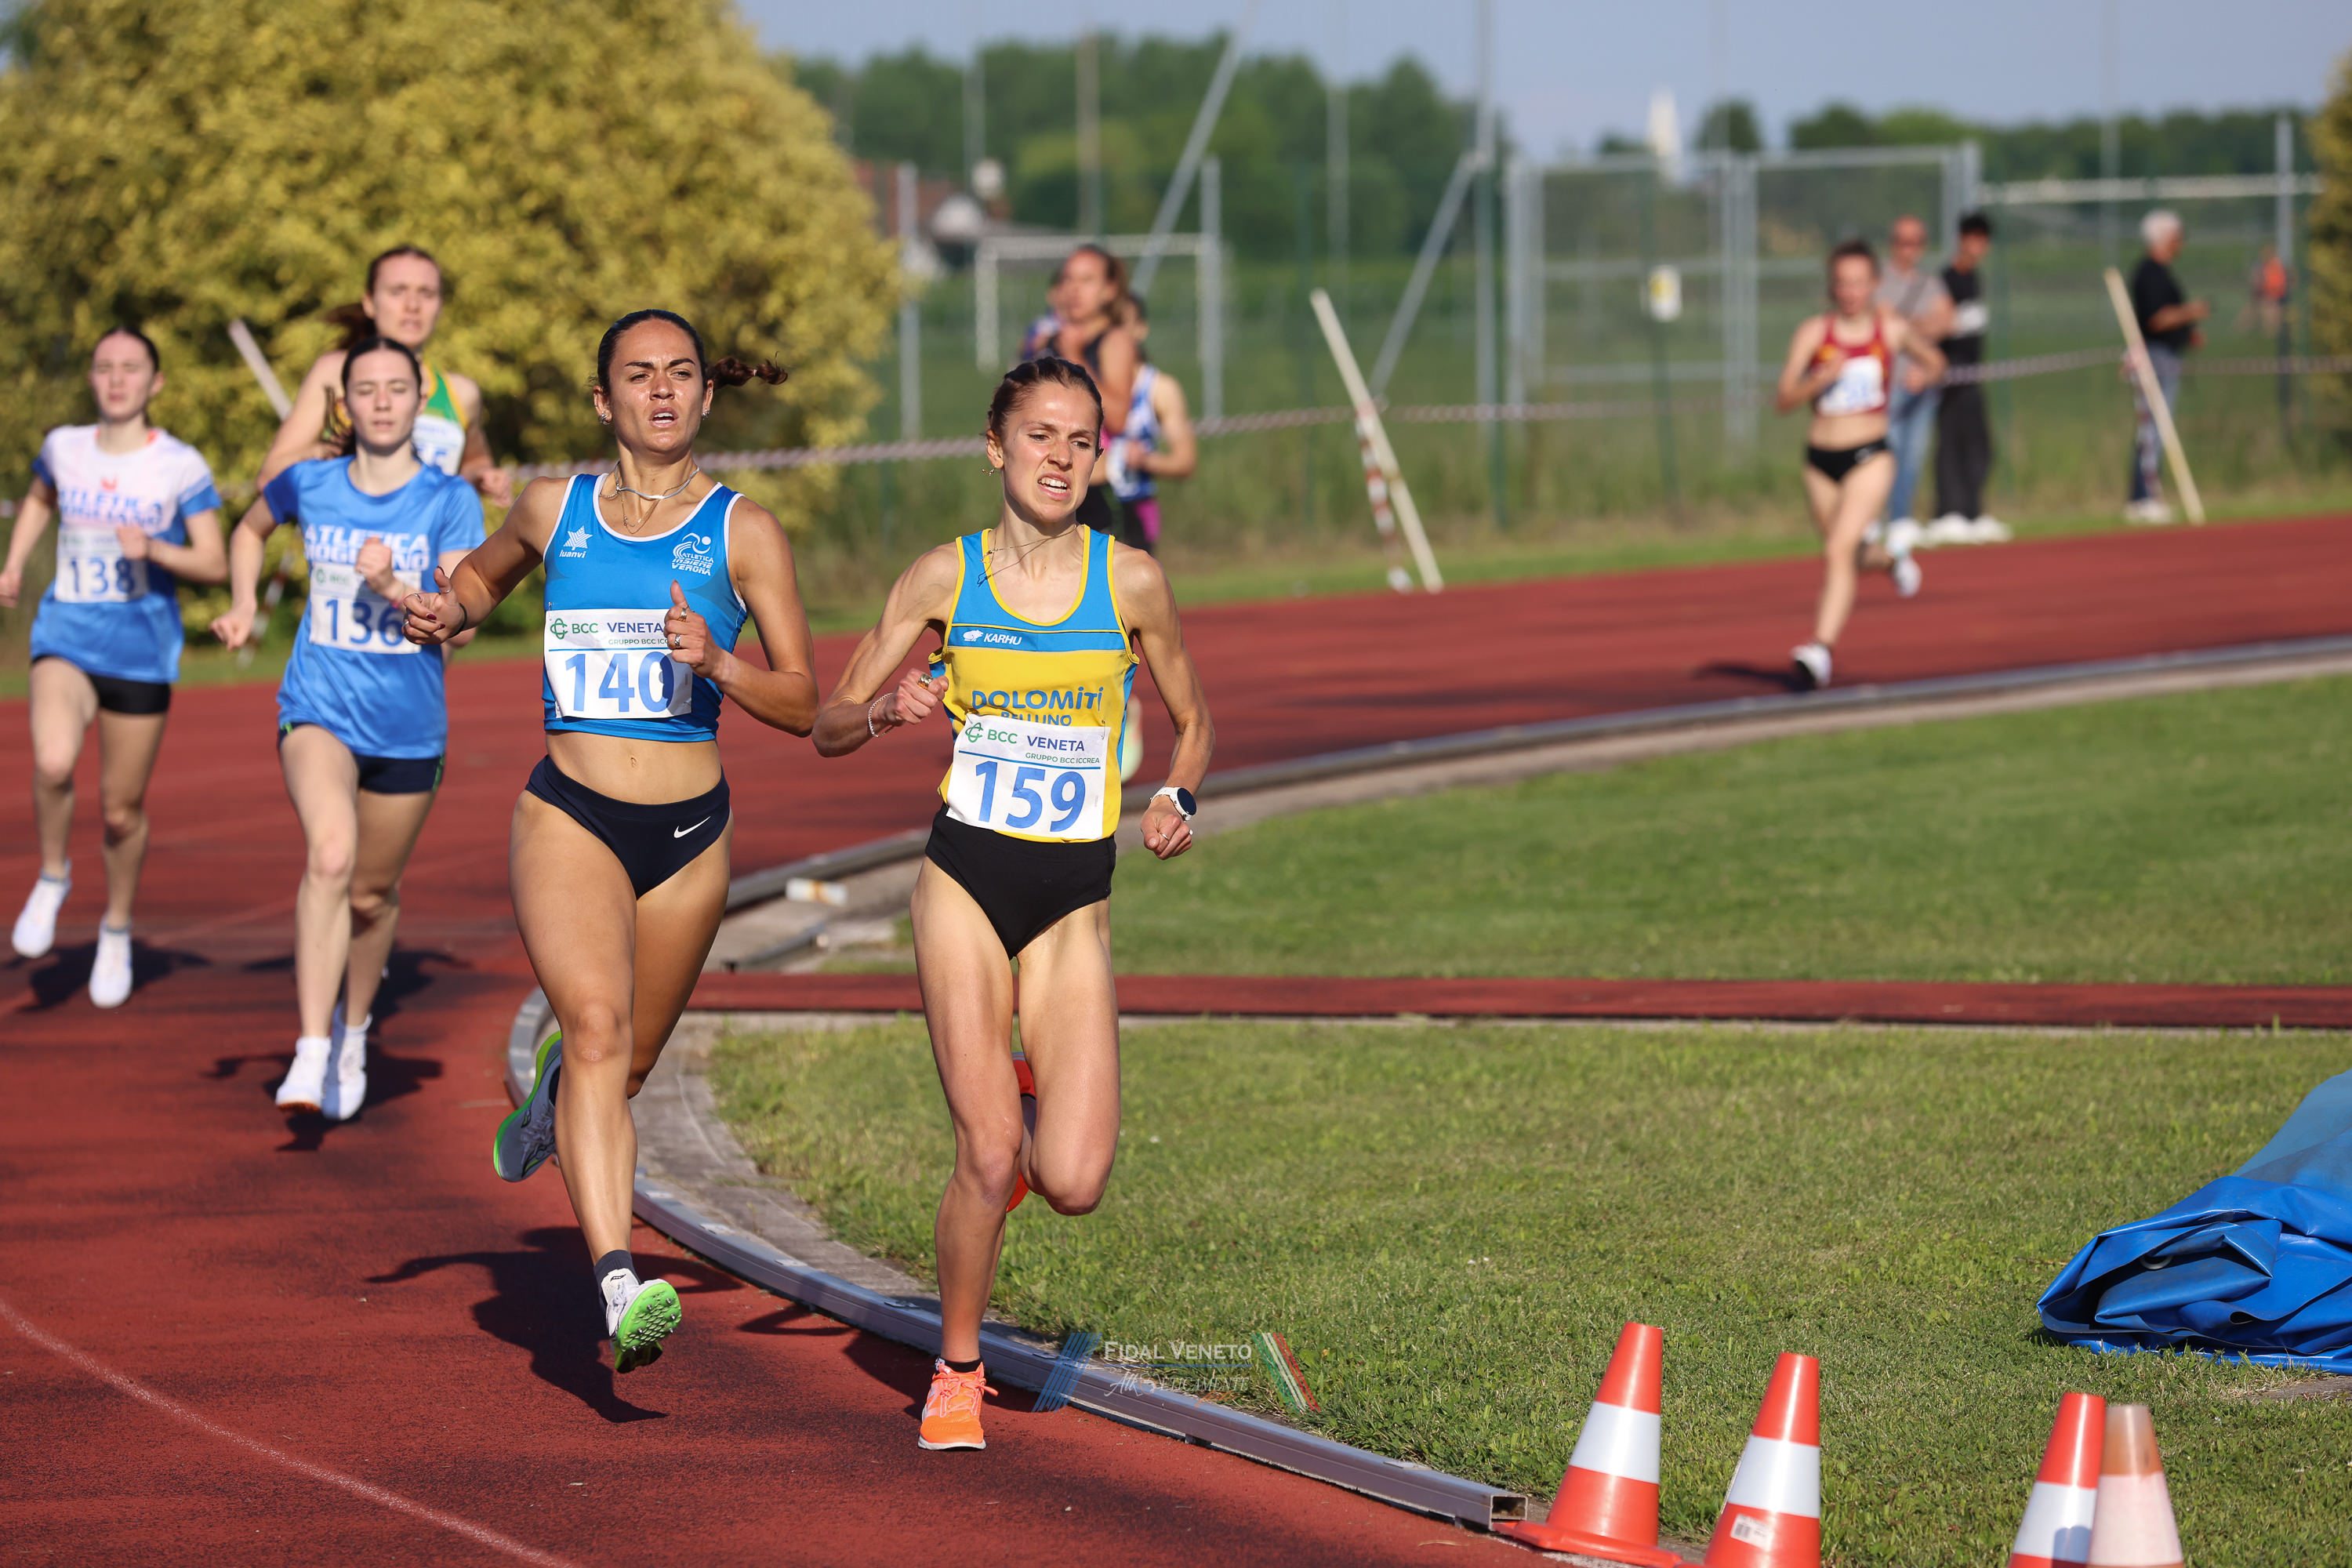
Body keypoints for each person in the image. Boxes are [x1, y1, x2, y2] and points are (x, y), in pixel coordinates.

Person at [400, 310, 817, 1375]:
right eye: (639, 375)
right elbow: (482, 578)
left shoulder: (744, 532)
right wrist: (448, 613)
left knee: (620, 1068)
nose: (662, 391)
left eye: (680, 374)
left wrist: (719, 664)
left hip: (689, 835)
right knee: (594, 1028)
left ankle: (553, 1097)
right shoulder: (555, 508)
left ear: (707, 396)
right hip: (571, 815)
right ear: (604, 399)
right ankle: (622, 1283)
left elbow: (804, 703)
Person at [810, 356, 1213, 1453]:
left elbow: (1195, 720)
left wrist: (1177, 793)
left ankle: (1021, 1100)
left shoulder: (1130, 582)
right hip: (965, 883)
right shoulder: (944, 576)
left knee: (1071, 1180)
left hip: (1074, 900)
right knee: (989, 1156)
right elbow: (829, 722)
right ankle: (958, 1367)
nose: (1060, 457)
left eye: (1081, 441)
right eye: (1040, 435)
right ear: (996, 446)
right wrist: (888, 711)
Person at [212, 337, 485, 1120]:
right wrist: (241, 604)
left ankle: (353, 1030)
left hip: (408, 726)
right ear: (345, 403)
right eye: (366, 389)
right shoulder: (310, 482)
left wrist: (394, 585)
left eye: (398, 388)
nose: (382, 402)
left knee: (370, 895)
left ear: (421, 398)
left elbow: (463, 626)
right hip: (318, 707)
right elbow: (247, 529)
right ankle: (308, 1051)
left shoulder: (449, 500)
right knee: (330, 855)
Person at [1, 328, 227, 1004]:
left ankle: (117, 927)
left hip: (140, 650)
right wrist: (14, 563)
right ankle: (52, 875)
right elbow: (40, 498)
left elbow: (214, 562)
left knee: (121, 811)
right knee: (52, 763)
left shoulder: (180, 464)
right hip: (67, 634)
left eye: (131, 368)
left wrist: (155, 549)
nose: (117, 379)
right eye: (105, 367)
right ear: (92, 378)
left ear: (155, 383)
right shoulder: (63, 447)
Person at [1773, 238, 1947, 691]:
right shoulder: (1814, 333)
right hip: (1820, 461)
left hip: (1869, 455)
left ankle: (1820, 650)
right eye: (1842, 283)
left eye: (1858, 282)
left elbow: (1936, 361)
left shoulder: (1890, 330)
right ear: (1832, 287)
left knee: (1837, 552)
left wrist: (1924, 375)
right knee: (1847, 554)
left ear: (1874, 284)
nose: (1850, 291)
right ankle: (1889, 559)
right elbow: (1783, 399)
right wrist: (1817, 382)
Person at [258, 245, 512, 507]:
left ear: (440, 305)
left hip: (434, 535)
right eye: (397, 291)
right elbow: (270, 476)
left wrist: (483, 477)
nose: (412, 306)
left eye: (426, 293)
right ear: (369, 303)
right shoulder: (335, 372)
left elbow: (475, 462)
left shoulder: (461, 392)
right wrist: (331, 454)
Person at [1095, 294, 1200, 782]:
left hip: (1136, 516)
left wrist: (1143, 460)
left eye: (1123, 326)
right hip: (1090, 511)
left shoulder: (1160, 388)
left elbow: (1185, 460)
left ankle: (1124, 709)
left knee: (1127, 623)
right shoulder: (1082, 382)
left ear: (1139, 330)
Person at [1018, 245, 1141, 544]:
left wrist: (1075, 355)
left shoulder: (1115, 341)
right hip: (1045, 485)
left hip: (1097, 491)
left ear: (1109, 290)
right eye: (1068, 279)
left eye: (1087, 280)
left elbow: (1118, 417)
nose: (1075, 289)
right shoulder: (1046, 342)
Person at [2125, 209, 2207, 524]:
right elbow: (2157, 319)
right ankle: (2143, 497)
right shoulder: (2149, 274)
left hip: (2168, 354)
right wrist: (2192, 312)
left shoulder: (2161, 272)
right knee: (2153, 429)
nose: (2180, 243)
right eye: (2177, 237)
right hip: (2156, 357)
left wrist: (2187, 332)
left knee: (2157, 428)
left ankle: (2146, 495)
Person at [1929, 212, 2005, 545]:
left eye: (1984, 240)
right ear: (1962, 240)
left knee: (1979, 443)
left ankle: (1973, 510)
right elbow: (1937, 323)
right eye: (1974, 239)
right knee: (1951, 441)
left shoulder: (1976, 278)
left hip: (1973, 372)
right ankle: (1949, 511)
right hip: (1950, 372)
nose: (1979, 246)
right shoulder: (1945, 279)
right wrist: (1953, 323)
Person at [1876, 214, 1952, 543]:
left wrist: (1906, 324)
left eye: (1916, 242)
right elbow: (1882, 323)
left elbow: (1946, 321)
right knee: (1886, 457)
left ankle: (1901, 520)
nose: (1909, 249)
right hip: (1888, 387)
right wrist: (1922, 323)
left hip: (1924, 383)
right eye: (1902, 242)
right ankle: (1876, 521)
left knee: (1913, 458)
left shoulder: (1931, 284)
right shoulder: (1878, 281)